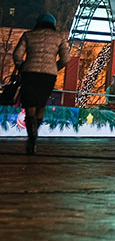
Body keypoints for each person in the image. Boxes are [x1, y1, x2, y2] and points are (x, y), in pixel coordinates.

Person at [12, 13, 70, 155]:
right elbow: (66, 59)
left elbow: (17, 55)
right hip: (48, 76)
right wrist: (54, 67)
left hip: (30, 73)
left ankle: (31, 138)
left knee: (30, 105)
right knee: (41, 105)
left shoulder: (28, 35)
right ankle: (35, 137)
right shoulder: (59, 37)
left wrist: (21, 67)